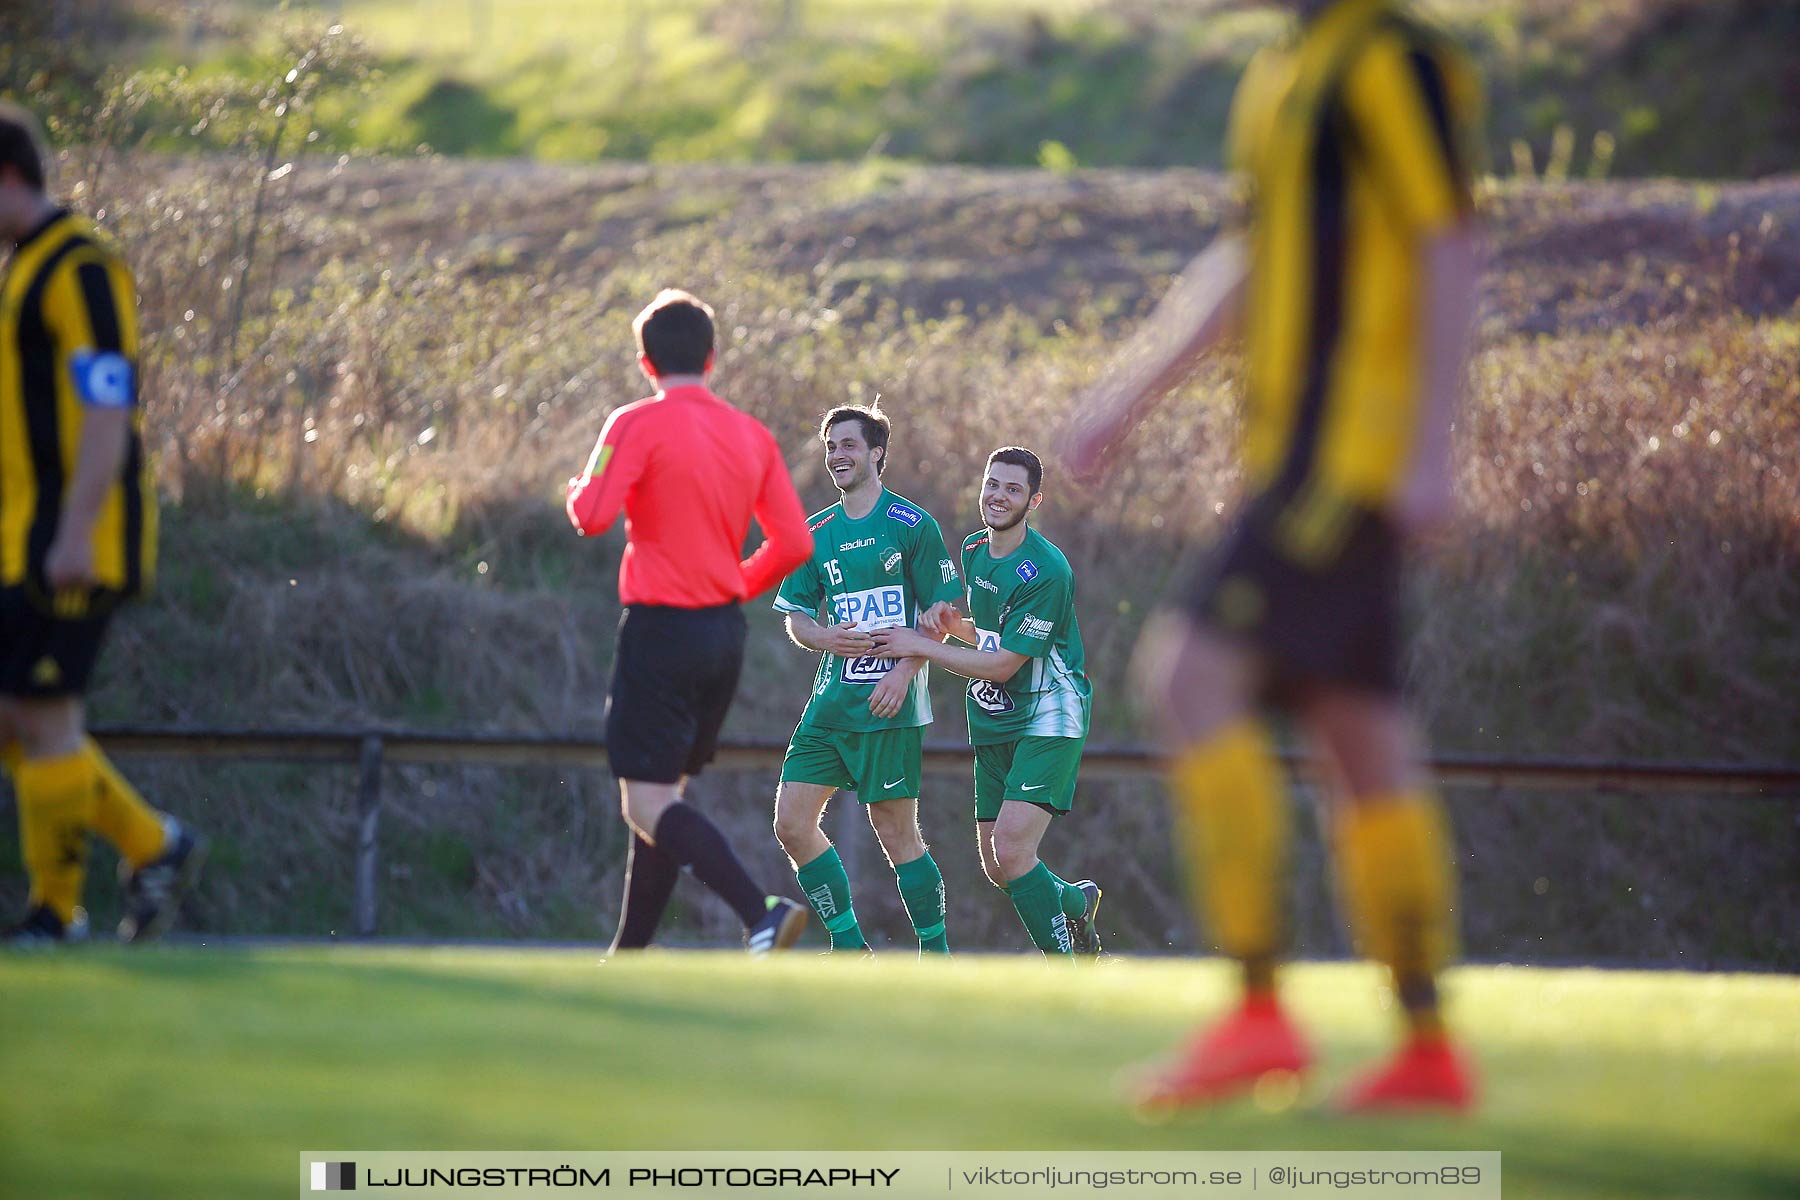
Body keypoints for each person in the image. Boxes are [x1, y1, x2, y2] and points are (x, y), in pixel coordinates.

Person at [1057, 0, 1483, 1110]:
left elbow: (1448, 239)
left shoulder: (1397, 62)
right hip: (1301, 462)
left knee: (1189, 677)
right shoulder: (1284, 76)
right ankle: (1428, 1049)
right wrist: (1124, 399)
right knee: (1360, 741)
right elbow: (1255, 258)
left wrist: (1432, 448)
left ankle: (1258, 1016)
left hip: (1343, 463)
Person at [0, 102, 205, 945]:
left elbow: (107, 406)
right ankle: (154, 842)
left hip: (77, 540)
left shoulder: (81, 266)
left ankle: (55, 913)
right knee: (14, 719)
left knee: (43, 719)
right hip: (27, 538)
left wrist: (78, 531)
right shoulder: (21, 270)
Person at [566, 289, 814, 954]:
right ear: (711, 358)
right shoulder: (751, 433)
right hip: (722, 634)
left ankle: (759, 912)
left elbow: (590, 515)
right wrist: (738, 581)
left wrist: (577, 486)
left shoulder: (632, 423)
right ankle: (630, 956)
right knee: (662, 800)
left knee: (645, 805)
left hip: (661, 632)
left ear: (645, 362)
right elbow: (793, 544)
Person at [871, 447, 1102, 959]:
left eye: (1013, 489)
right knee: (998, 866)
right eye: (993, 484)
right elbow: (995, 636)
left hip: (1050, 713)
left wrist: (922, 646)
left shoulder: (1047, 570)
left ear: (1034, 500)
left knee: (1013, 850)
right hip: (996, 718)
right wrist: (957, 628)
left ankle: (1071, 972)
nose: (999, 495)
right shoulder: (974, 549)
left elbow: (1004, 664)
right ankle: (1072, 903)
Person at [770, 404, 963, 955]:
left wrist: (905, 672)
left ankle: (936, 954)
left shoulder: (911, 524)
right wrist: (825, 638)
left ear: (876, 452)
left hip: (888, 703)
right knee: (791, 824)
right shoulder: (817, 532)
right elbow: (797, 617)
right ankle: (849, 948)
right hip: (829, 707)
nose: (838, 456)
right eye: (831, 447)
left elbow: (942, 615)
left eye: (849, 445)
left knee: (897, 834)